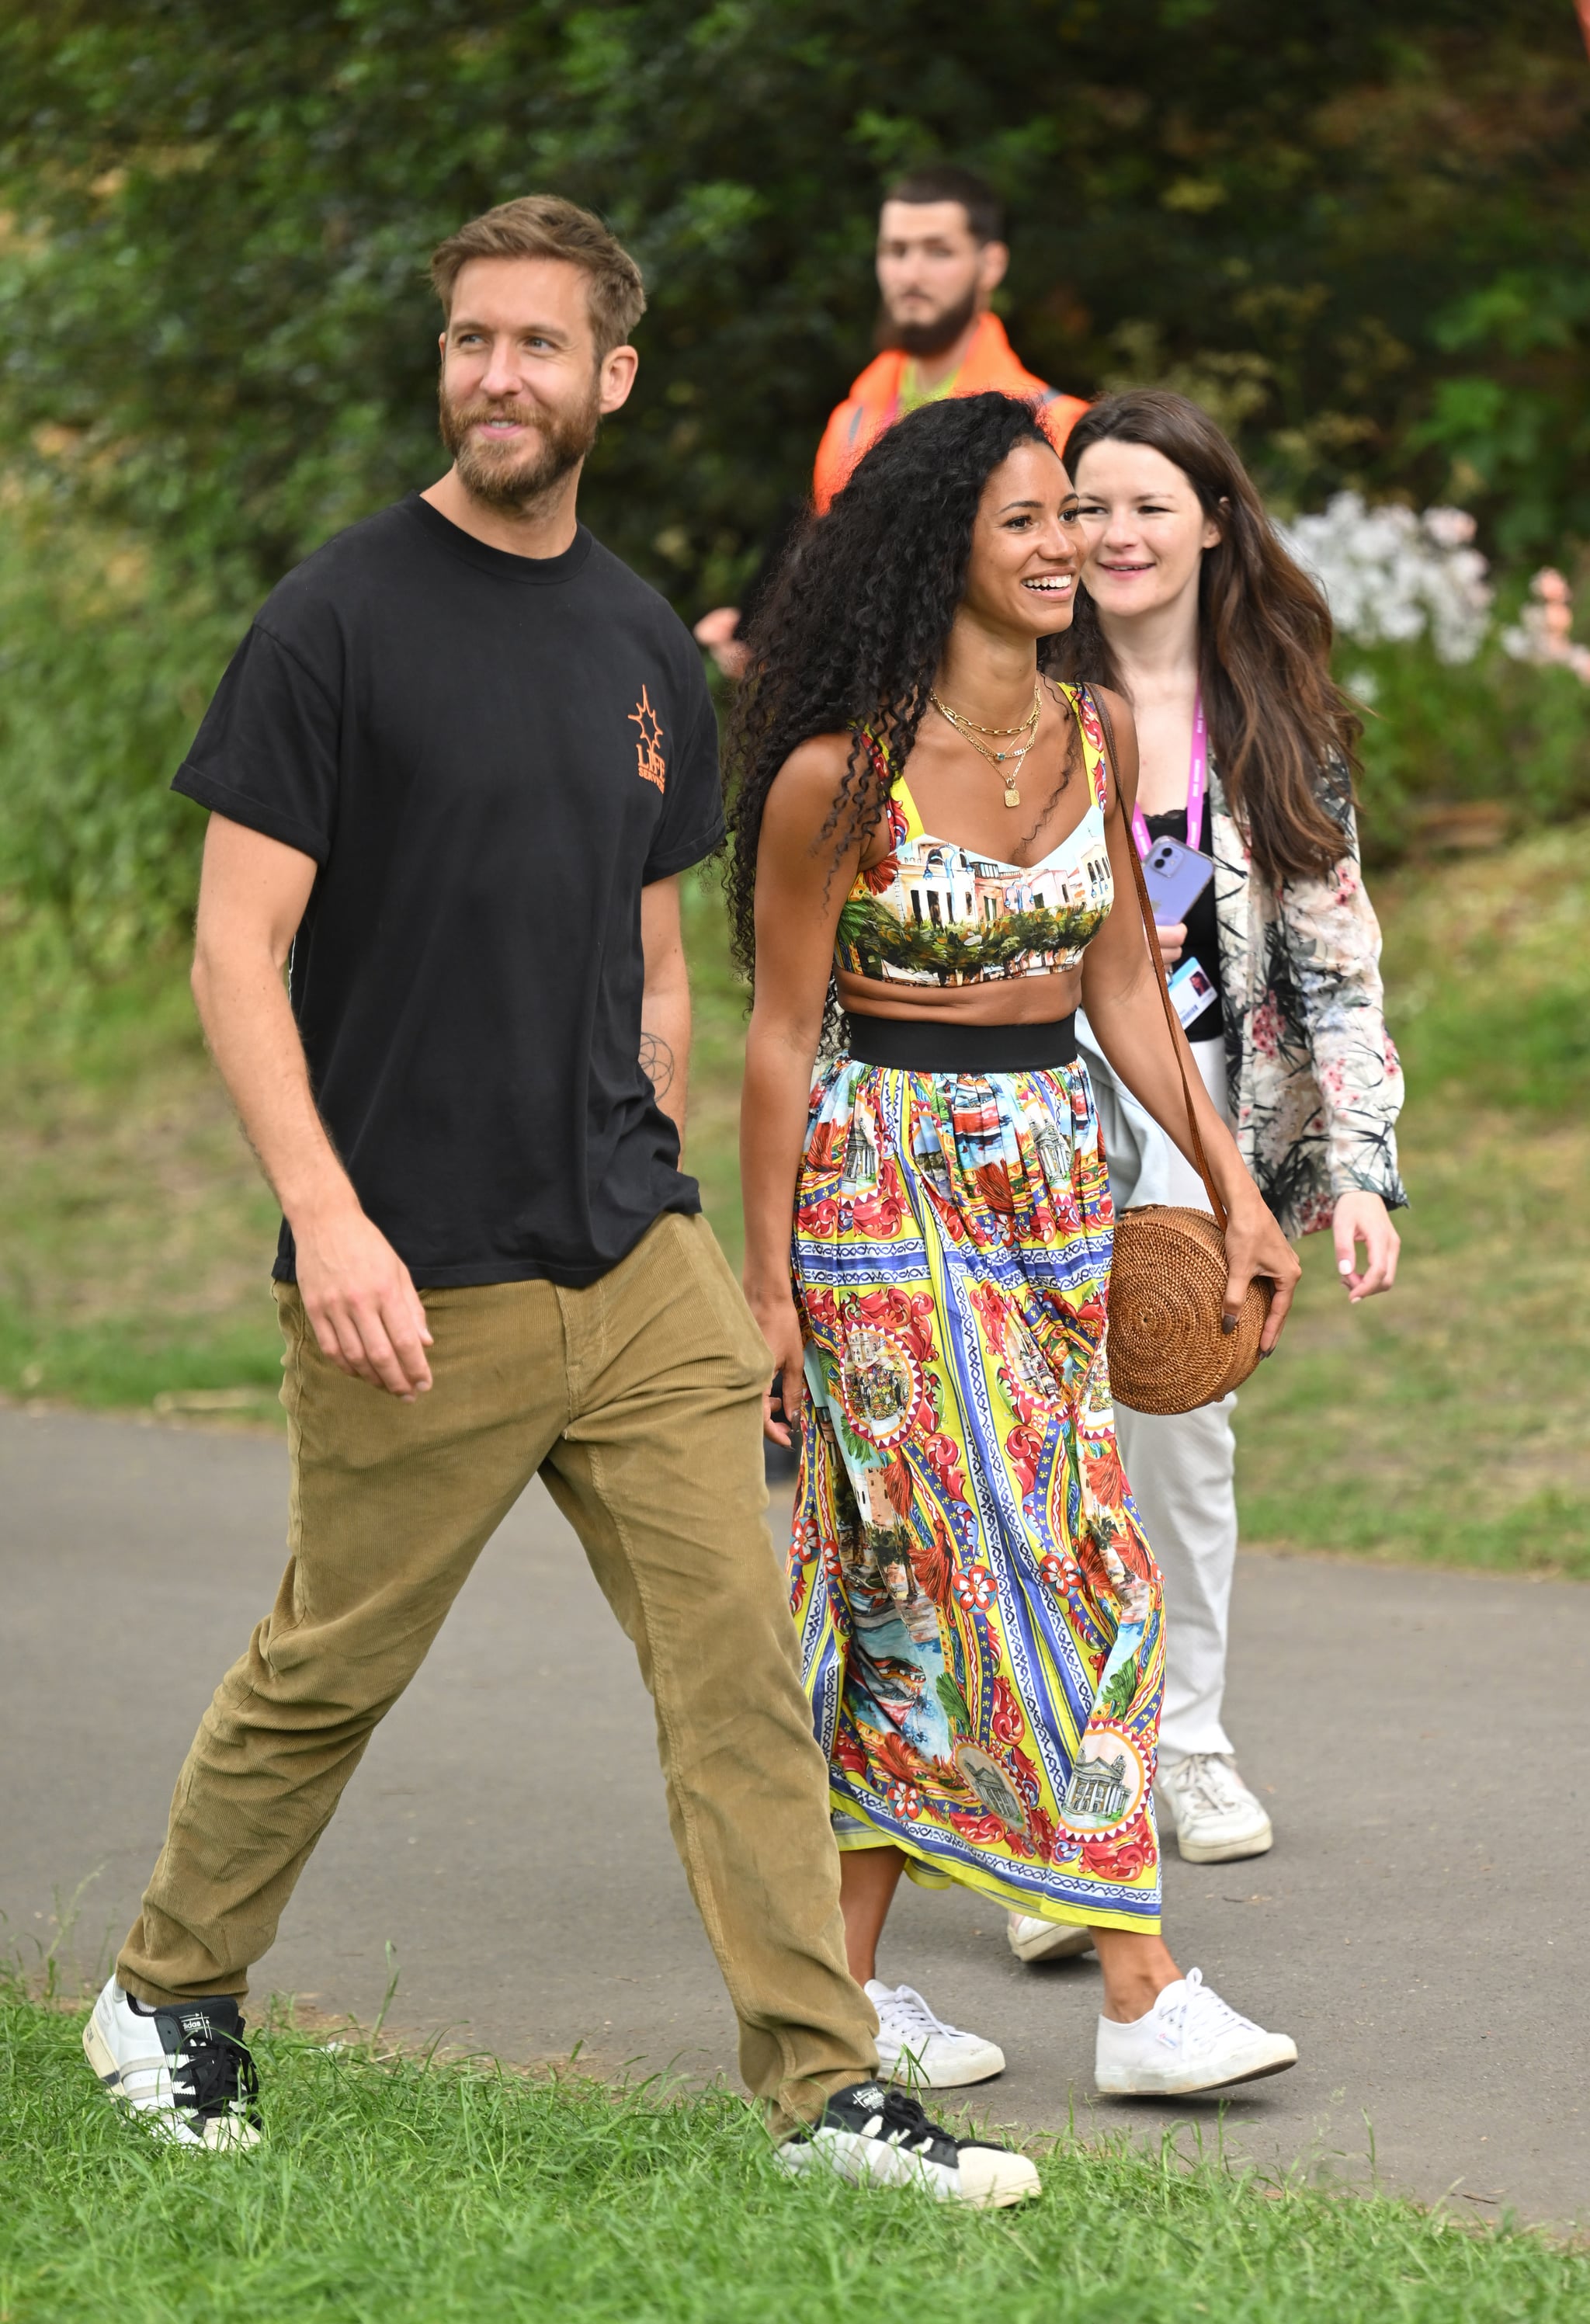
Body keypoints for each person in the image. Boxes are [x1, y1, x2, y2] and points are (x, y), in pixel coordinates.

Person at [79, 194, 1038, 2209]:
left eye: (538, 346)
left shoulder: (635, 641)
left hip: (632, 1254)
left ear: (611, 377)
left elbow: (661, 951)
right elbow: (232, 954)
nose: (496, 377)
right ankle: (168, 1993)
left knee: (739, 1680)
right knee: (329, 1661)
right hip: (417, 1270)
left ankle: (825, 2087)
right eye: (470, 341)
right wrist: (328, 1223)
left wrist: (669, 1161)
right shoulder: (333, 621)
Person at [728, 387, 1302, 2096]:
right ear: (939, 552)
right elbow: (776, 1035)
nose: (1066, 545)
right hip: (880, 1186)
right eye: (1026, 521)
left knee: (899, 1581)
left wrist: (1227, 1181)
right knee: (1058, 1561)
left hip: (1054, 1172)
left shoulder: (1090, 733)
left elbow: (1124, 973)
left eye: (1073, 515)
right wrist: (764, 1288)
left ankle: (836, 1987)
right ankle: (1141, 1983)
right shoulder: (837, 772)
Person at [1054, 390, 1404, 1871]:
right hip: (1022, 1114)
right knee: (1037, 1451)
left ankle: (1184, 1742)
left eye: (1145, 504)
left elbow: (1333, 964)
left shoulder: (1272, 721)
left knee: (1180, 1439)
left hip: (1209, 1139)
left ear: (1209, 521)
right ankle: (1068, 1772)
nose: (1114, 533)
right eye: (1085, 506)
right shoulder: (1009, 697)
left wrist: (1356, 1171)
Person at [695, 165, 1087, 677]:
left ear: (990, 264)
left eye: (937, 251)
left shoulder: (1061, 422)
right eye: (896, 251)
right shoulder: (851, 422)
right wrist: (773, 631)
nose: (911, 274)